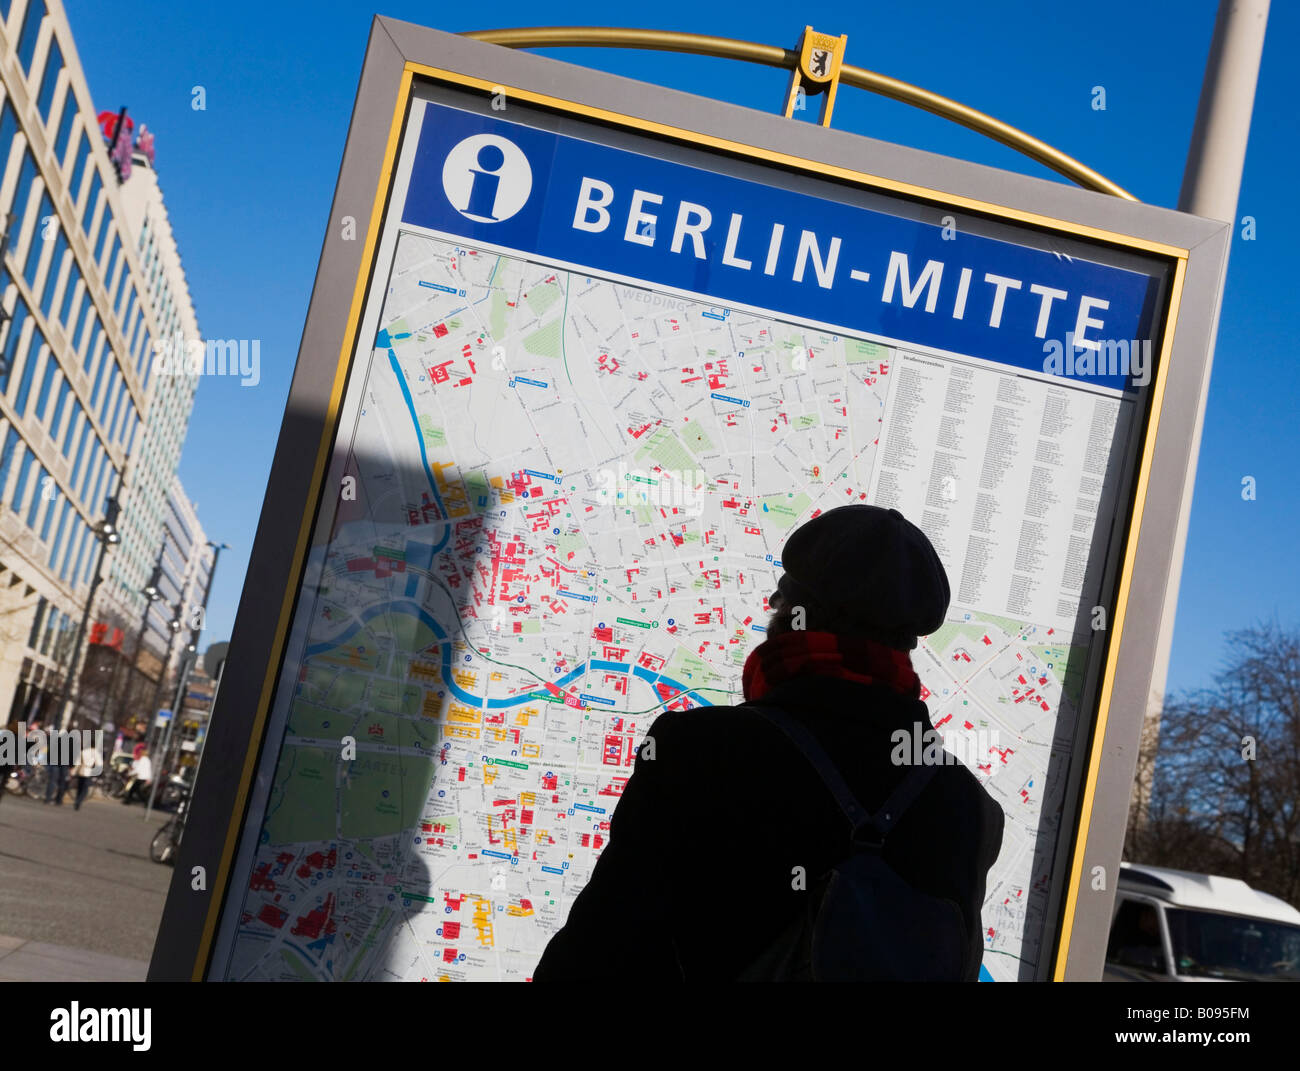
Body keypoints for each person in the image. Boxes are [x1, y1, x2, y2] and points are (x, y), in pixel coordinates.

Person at [533, 504, 1005, 981]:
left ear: (791, 619)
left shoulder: (702, 752)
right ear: (906, 647)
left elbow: (594, 956)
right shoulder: (967, 806)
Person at [72, 740, 103, 811]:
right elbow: (99, 764)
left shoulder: (84, 751)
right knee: (85, 789)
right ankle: (78, 801)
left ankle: (77, 799)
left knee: (79, 787)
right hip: (89, 771)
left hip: (81, 770)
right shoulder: (95, 753)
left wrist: (74, 771)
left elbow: (77, 762)